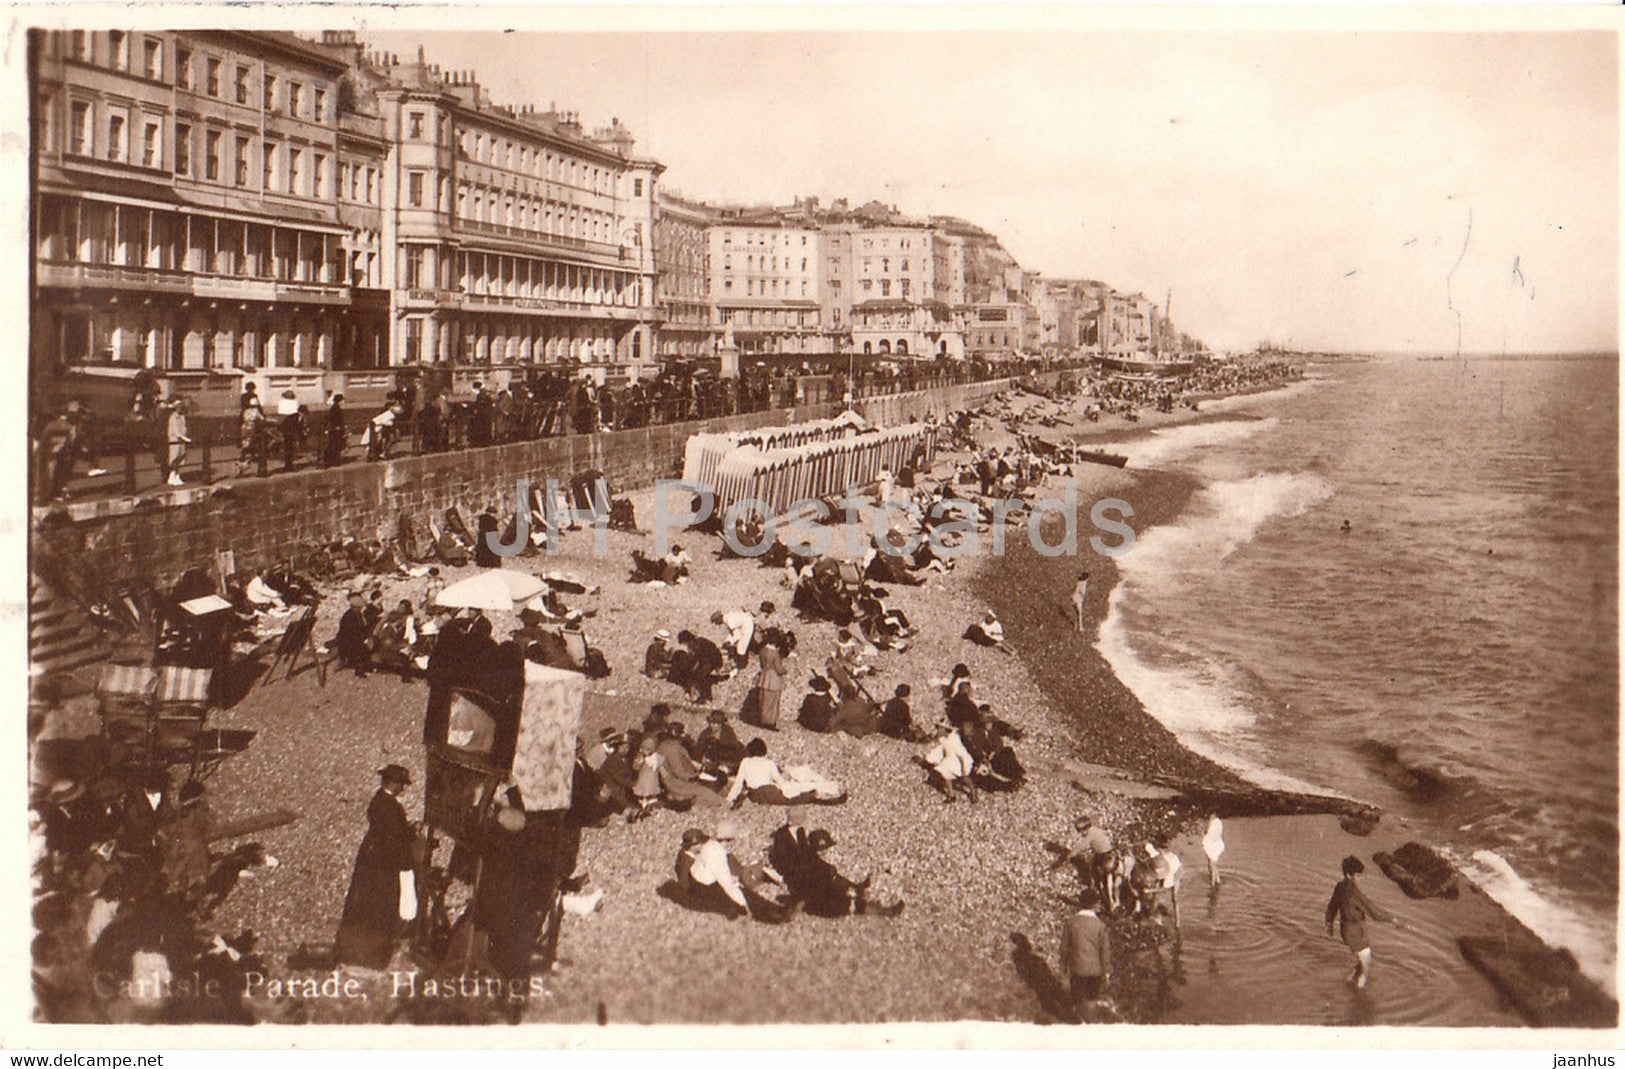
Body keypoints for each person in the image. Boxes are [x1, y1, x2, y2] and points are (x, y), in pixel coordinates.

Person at [334, 765, 418, 970]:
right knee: (381, 904)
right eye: (401, 785)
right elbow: (394, 837)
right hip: (383, 864)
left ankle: (357, 950)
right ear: (394, 783)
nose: (403, 789)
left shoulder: (379, 800)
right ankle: (371, 954)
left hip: (371, 860)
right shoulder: (389, 806)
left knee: (364, 902)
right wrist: (410, 834)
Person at [1325, 855, 1398, 989]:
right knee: (1366, 965)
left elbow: (1332, 906)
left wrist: (1329, 923)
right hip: (1356, 933)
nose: (1360, 879)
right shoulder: (1355, 893)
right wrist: (1392, 919)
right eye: (1358, 876)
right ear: (1349, 875)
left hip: (1345, 930)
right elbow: (1373, 911)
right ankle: (1358, 995)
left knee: (1362, 961)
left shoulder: (1340, 887)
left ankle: (1350, 981)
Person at [725, 738, 845, 807]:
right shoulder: (769, 763)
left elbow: (738, 783)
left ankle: (820, 793)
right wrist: (791, 784)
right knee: (795, 798)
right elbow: (781, 782)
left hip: (755, 795)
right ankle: (823, 797)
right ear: (764, 751)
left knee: (794, 795)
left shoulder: (745, 762)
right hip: (769, 791)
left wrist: (730, 799)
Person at [673, 824, 749, 919]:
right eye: (700, 843)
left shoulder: (696, 852)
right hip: (699, 888)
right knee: (722, 887)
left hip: (706, 876)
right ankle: (733, 906)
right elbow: (685, 883)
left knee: (727, 859)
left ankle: (740, 876)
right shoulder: (684, 861)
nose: (702, 845)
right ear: (693, 846)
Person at [1059, 888, 1112, 1020]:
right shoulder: (1100, 925)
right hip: (1095, 970)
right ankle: (1089, 1022)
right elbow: (1104, 951)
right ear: (1095, 905)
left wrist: (1064, 968)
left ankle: (1077, 1021)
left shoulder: (1070, 922)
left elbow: (1064, 948)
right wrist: (1106, 972)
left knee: (1076, 1000)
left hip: (1076, 969)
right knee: (1091, 1001)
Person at [748, 636, 787, 730]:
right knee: (772, 702)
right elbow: (778, 669)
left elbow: (762, 664)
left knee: (763, 701)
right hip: (773, 678)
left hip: (764, 676)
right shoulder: (775, 653)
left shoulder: (763, 650)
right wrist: (785, 670)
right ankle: (770, 723)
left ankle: (761, 720)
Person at [164, 398, 191, 487]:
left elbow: (184, 428)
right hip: (175, 440)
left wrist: (185, 437)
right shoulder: (172, 417)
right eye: (178, 407)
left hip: (181, 441)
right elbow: (176, 431)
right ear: (175, 408)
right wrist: (185, 438)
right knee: (175, 458)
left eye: (181, 407)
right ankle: (171, 477)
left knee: (181, 457)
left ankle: (176, 476)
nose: (180, 409)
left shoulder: (182, 417)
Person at [322, 394, 348, 467]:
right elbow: (336, 420)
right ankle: (334, 461)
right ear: (340, 401)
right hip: (336, 430)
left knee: (333, 445)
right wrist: (340, 427)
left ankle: (332, 461)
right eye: (342, 400)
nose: (343, 402)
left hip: (334, 429)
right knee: (336, 445)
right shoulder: (337, 409)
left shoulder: (334, 408)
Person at [1202, 814, 1225, 885]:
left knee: (1211, 864)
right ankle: (1217, 879)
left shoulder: (1211, 822)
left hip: (1212, 844)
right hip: (1216, 843)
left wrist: (1207, 825)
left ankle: (1213, 882)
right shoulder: (1219, 822)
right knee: (1212, 863)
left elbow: (1206, 831)